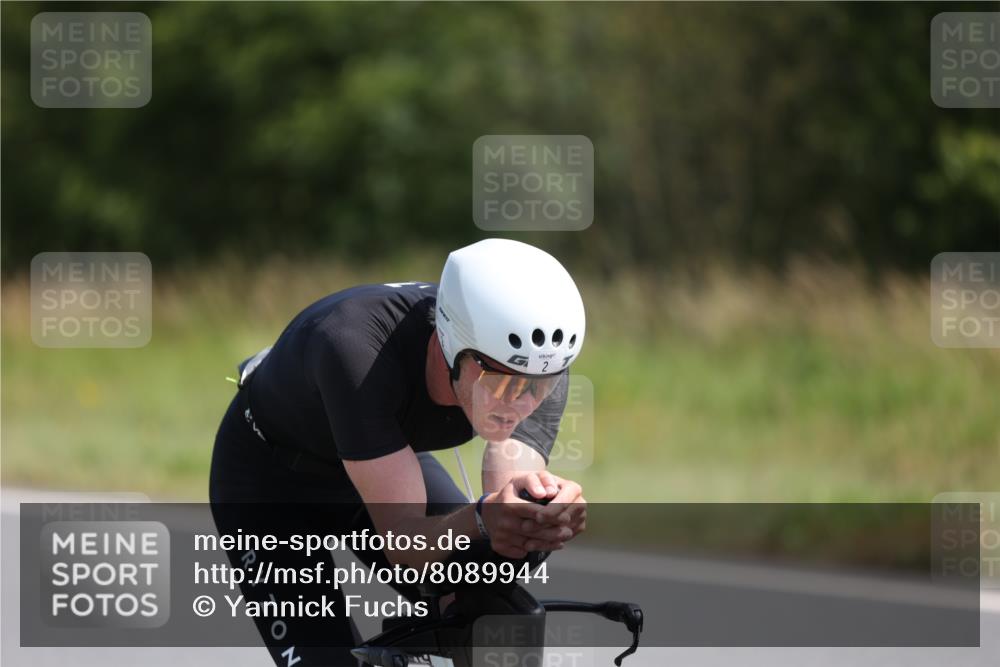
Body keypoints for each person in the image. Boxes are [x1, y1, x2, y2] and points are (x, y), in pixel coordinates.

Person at [209, 238, 588, 666]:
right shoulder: (355, 350)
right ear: (451, 345)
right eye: (502, 384)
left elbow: (504, 517)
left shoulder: (537, 358)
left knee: (492, 614)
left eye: (540, 387)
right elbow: (404, 543)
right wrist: (482, 517)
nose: (519, 404)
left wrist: (533, 516)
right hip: (270, 483)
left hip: (385, 459)